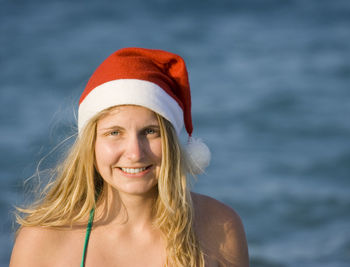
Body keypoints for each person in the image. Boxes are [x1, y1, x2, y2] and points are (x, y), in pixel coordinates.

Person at [10, 47, 249, 267]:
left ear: (172, 143)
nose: (135, 153)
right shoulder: (42, 241)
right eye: (114, 133)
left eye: (150, 132)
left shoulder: (219, 227)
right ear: (91, 145)